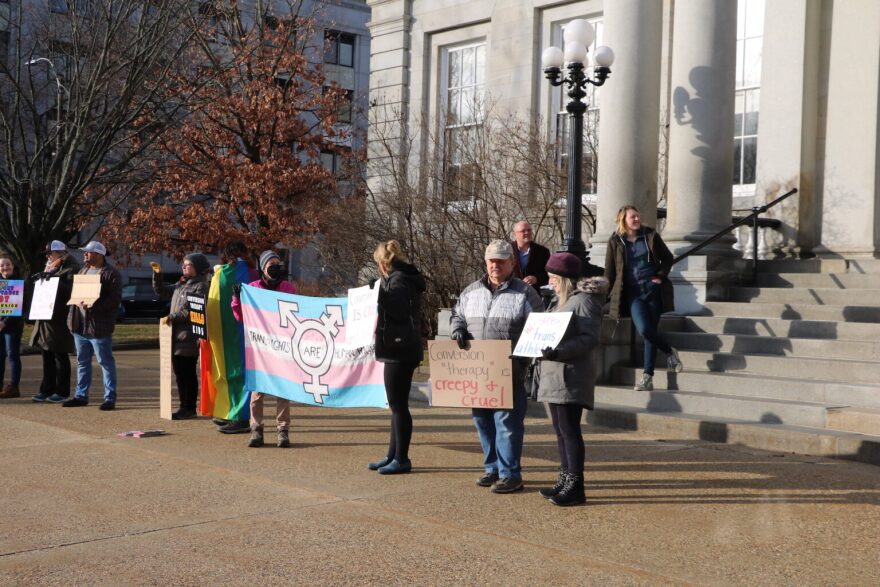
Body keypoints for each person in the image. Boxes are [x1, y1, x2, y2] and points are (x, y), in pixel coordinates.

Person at [450, 239, 543, 494]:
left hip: (509, 372)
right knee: (482, 421)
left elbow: (539, 328)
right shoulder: (471, 291)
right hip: (477, 373)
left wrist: (523, 360)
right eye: (492, 260)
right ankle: (492, 468)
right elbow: (457, 314)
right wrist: (458, 329)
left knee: (507, 425)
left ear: (512, 263)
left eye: (501, 261)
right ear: (485, 262)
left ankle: (511, 474)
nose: (495, 265)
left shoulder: (525, 294)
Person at [536, 252, 607, 507]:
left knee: (569, 430)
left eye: (553, 277)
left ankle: (575, 485)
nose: (550, 281)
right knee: (559, 431)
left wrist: (559, 351)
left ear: (565, 278)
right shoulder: (561, 300)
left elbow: (590, 338)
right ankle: (565, 478)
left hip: (570, 375)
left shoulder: (585, 301)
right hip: (555, 373)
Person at [604, 205, 682, 392]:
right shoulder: (615, 241)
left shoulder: (650, 236)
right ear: (623, 219)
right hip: (633, 293)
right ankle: (669, 351)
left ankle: (647, 377)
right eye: (633, 217)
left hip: (653, 289)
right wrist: (605, 292)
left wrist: (660, 276)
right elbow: (610, 271)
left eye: (638, 216)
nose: (637, 219)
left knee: (650, 334)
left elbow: (668, 258)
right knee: (645, 329)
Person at [367, 240, 426, 475]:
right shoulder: (402, 277)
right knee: (396, 406)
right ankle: (393, 454)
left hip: (400, 350)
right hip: (400, 348)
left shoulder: (399, 280)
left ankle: (401, 458)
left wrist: (378, 294)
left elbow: (399, 311)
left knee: (398, 406)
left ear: (382, 264)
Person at [231, 250, 297, 447]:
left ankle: (283, 431)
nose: (276, 268)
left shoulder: (288, 288)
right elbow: (241, 316)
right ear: (263, 268)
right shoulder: (253, 289)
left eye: (278, 264)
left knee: (284, 390)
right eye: (271, 265)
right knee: (257, 391)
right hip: (260, 349)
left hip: (283, 347)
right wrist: (237, 298)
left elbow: (297, 313)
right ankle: (256, 430)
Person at [64, 241, 123, 410]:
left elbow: (114, 300)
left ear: (99, 254)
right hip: (79, 326)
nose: (85, 255)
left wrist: (94, 306)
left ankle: (109, 398)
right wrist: (71, 320)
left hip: (99, 327)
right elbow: (76, 297)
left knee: (105, 362)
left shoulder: (111, 274)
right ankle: (81, 396)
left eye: (88, 252)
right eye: (85, 252)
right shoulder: (83, 270)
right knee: (82, 361)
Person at [151, 254, 211, 420]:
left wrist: (173, 316)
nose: (184, 267)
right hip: (175, 335)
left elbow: (193, 310)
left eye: (188, 265)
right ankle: (183, 405)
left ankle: (189, 407)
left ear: (197, 268)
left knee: (187, 372)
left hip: (189, 337)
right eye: (183, 265)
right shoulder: (181, 284)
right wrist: (157, 275)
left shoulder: (201, 285)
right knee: (179, 372)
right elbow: (162, 291)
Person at [30, 241, 81, 403]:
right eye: (47, 254)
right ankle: (46, 389)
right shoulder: (50, 268)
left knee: (60, 355)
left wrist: (54, 281)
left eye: (50, 253)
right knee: (46, 355)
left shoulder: (72, 268)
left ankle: (62, 391)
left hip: (59, 319)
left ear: (60, 253)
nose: (47, 256)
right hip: (45, 317)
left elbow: (72, 292)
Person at [0, 254, 26, 398]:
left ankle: (14, 387)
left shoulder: (18, 282)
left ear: (13, 265)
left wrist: (4, 322)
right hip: (0, 325)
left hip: (12, 326)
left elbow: (18, 308)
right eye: (2, 265)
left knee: (12, 355)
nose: (5, 267)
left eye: (7, 264)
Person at [510, 220, 551, 291]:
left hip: (534, 295)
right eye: (523, 231)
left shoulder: (542, 251)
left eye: (529, 230)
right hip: (512, 293)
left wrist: (536, 278)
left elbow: (549, 274)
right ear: (515, 234)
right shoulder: (508, 250)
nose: (527, 233)